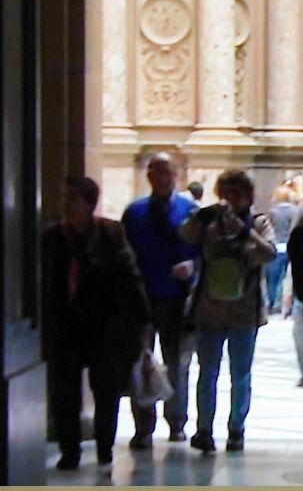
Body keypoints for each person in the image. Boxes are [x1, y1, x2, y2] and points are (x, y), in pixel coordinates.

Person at [42, 177, 150, 472]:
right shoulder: (52, 237)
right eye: (64, 199)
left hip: (106, 326)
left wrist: (141, 319)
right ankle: (70, 450)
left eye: (72, 200)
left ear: (90, 203)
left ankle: (105, 447)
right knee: (64, 392)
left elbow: (130, 275)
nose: (66, 206)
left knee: (107, 390)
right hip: (65, 324)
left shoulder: (111, 233)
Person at [179, 170, 276, 453]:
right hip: (210, 308)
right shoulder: (211, 222)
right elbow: (184, 234)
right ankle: (204, 429)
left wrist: (246, 232)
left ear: (248, 195)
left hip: (244, 310)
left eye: (238, 194)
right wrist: (201, 217)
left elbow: (270, 253)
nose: (232, 200)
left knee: (240, 373)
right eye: (227, 193)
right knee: (207, 372)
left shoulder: (258, 222)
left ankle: (236, 429)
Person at [122, 153, 199, 448]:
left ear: (176, 175)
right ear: (149, 176)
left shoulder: (189, 211)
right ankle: (144, 425)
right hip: (141, 298)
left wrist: (192, 265)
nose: (162, 178)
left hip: (178, 299)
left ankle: (177, 421)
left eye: (167, 172)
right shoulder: (134, 213)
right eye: (156, 173)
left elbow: (202, 250)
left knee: (177, 363)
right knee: (141, 362)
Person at [266, 185, 298, 314]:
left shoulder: (272, 212)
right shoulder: (294, 211)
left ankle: (272, 302)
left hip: (276, 246)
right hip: (288, 246)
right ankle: (281, 303)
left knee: (273, 277)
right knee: (285, 277)